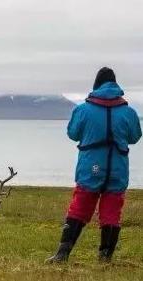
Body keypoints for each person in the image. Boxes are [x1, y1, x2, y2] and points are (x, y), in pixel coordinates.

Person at [47, 67, 142, 263]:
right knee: (112, 212)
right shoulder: (129, 112)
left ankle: (62, 254)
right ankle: (105, 258)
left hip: (91, 167)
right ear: (116, 85)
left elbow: (73, 133)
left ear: (96, 85)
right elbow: (135, 136)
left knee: (80, 207)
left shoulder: (82, 110)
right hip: (117, 168)